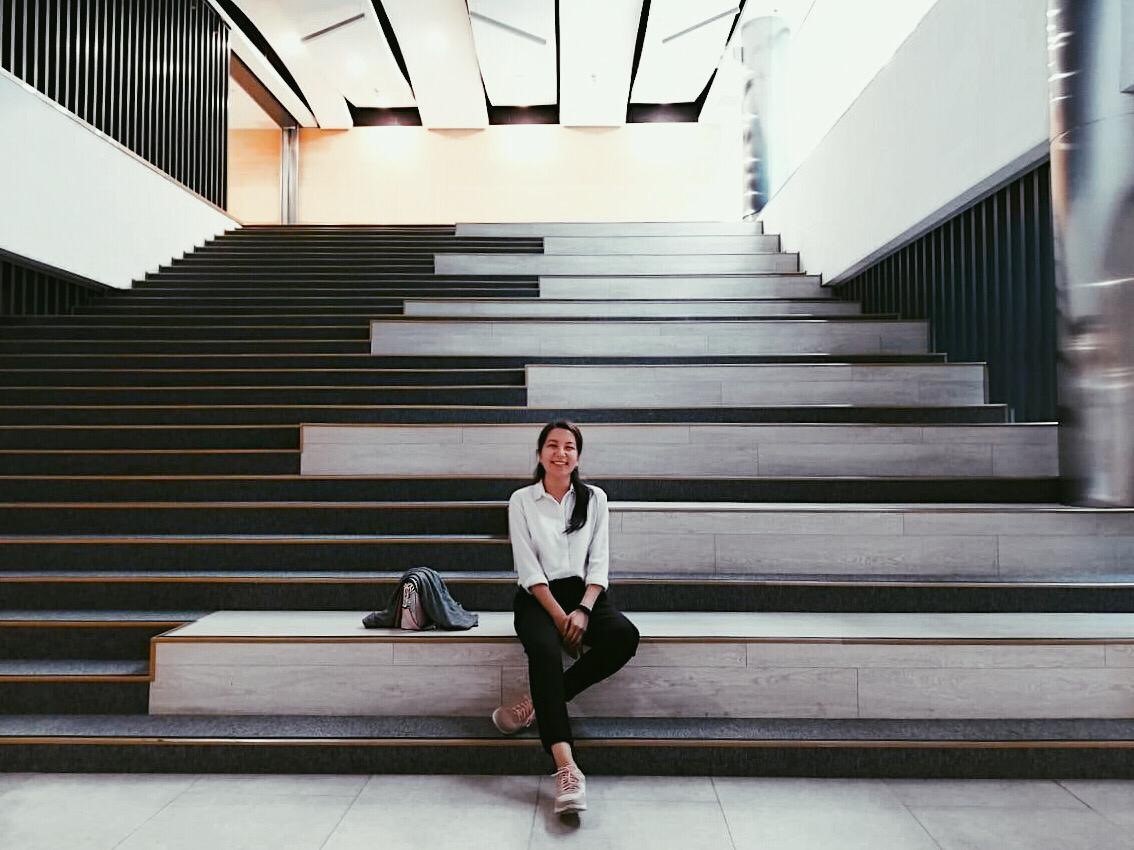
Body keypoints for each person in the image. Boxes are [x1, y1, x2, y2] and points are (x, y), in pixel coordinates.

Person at [491, 420, 640, 815]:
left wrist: (585, 609)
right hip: (538, 597)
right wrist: (561, 619)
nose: (561, 453)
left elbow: (600, 563)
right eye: (552, 445)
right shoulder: (522, 500)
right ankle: (566, 768)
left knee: (625, 636)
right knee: (543, 650)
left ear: (578, 456)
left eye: (569, 447)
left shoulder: (596, 499)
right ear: (540, 453)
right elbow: (528, 570)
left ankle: (540, 702)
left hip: (584, 594)